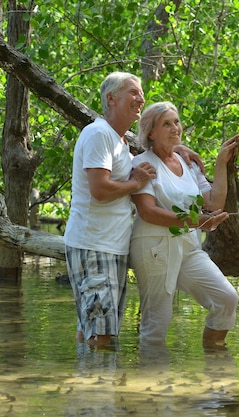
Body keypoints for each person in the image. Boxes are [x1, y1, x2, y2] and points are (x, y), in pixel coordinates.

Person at [64, 73, 202, 347]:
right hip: (94, 245)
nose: (140, 99)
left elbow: (150, 150)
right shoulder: (98, 133)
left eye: (141, 93)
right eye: (132, 92)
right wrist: (135, 182)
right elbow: (100, 189)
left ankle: (88, 384)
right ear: (111, 98)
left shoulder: (120, 142)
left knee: (93, 330)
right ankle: (97, 386)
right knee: (101, 336)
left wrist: (177, 147)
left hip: (113, 246)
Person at [129, 101, 239, 350]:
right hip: (154, 248)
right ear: (150, 132)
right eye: (166, 124)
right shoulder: (142, 163)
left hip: (188, 248)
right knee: (157, 323)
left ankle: (215, 369)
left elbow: (213, 202)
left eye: (176, 122)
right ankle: (152, 386)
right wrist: (196, 221)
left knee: (226, 299)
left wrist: (221, 162)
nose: (174, 128)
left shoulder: (187, 162)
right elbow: (148, 212)